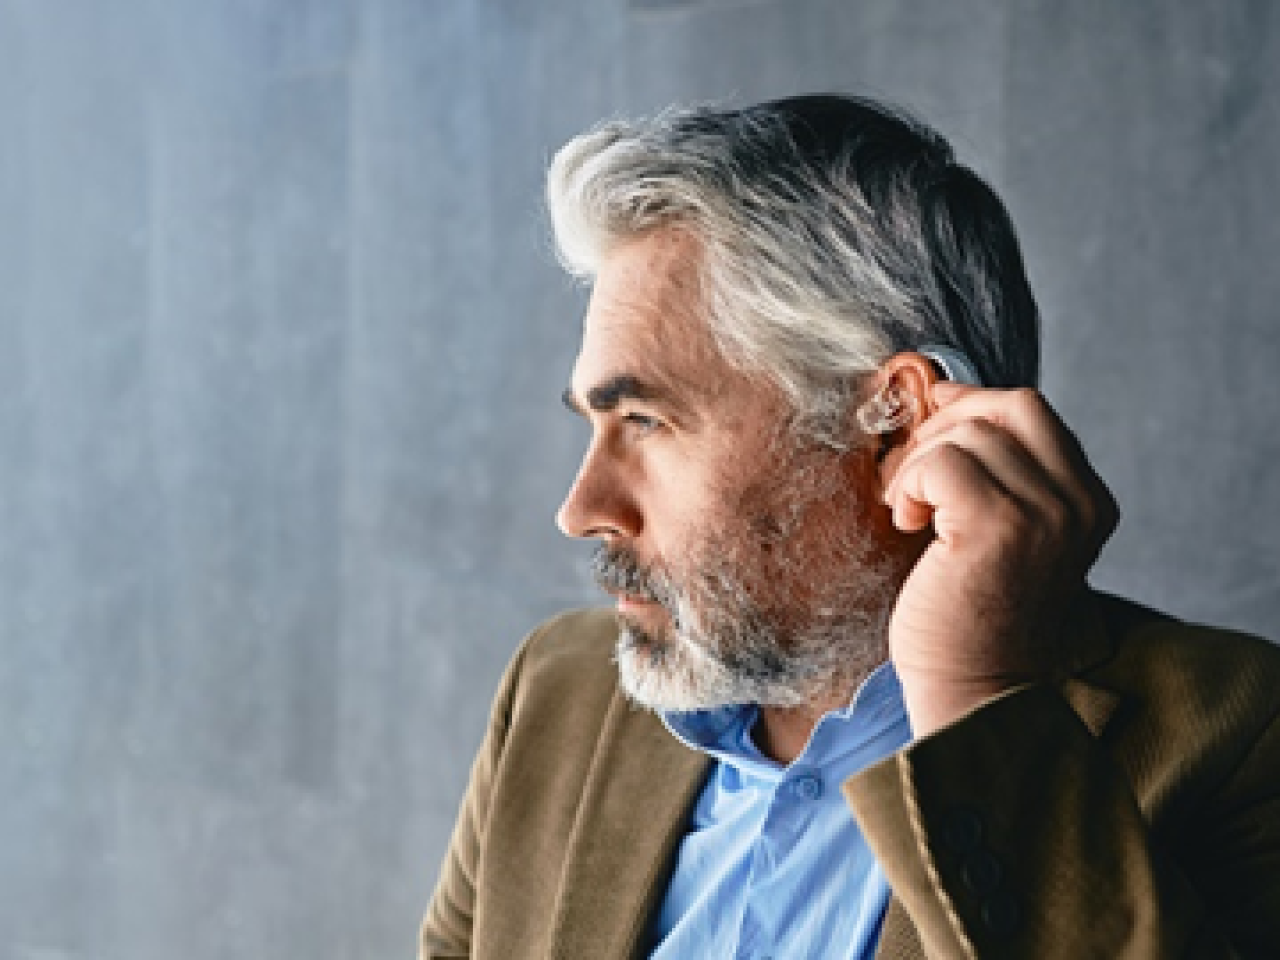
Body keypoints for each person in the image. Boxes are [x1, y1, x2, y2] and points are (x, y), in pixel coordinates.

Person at [420, 94, 1280, 958]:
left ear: (892, 426)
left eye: (643, 420)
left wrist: (977, 699)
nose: (580, 510)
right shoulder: (554, 693)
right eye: (594, 426)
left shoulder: (1238, 737)